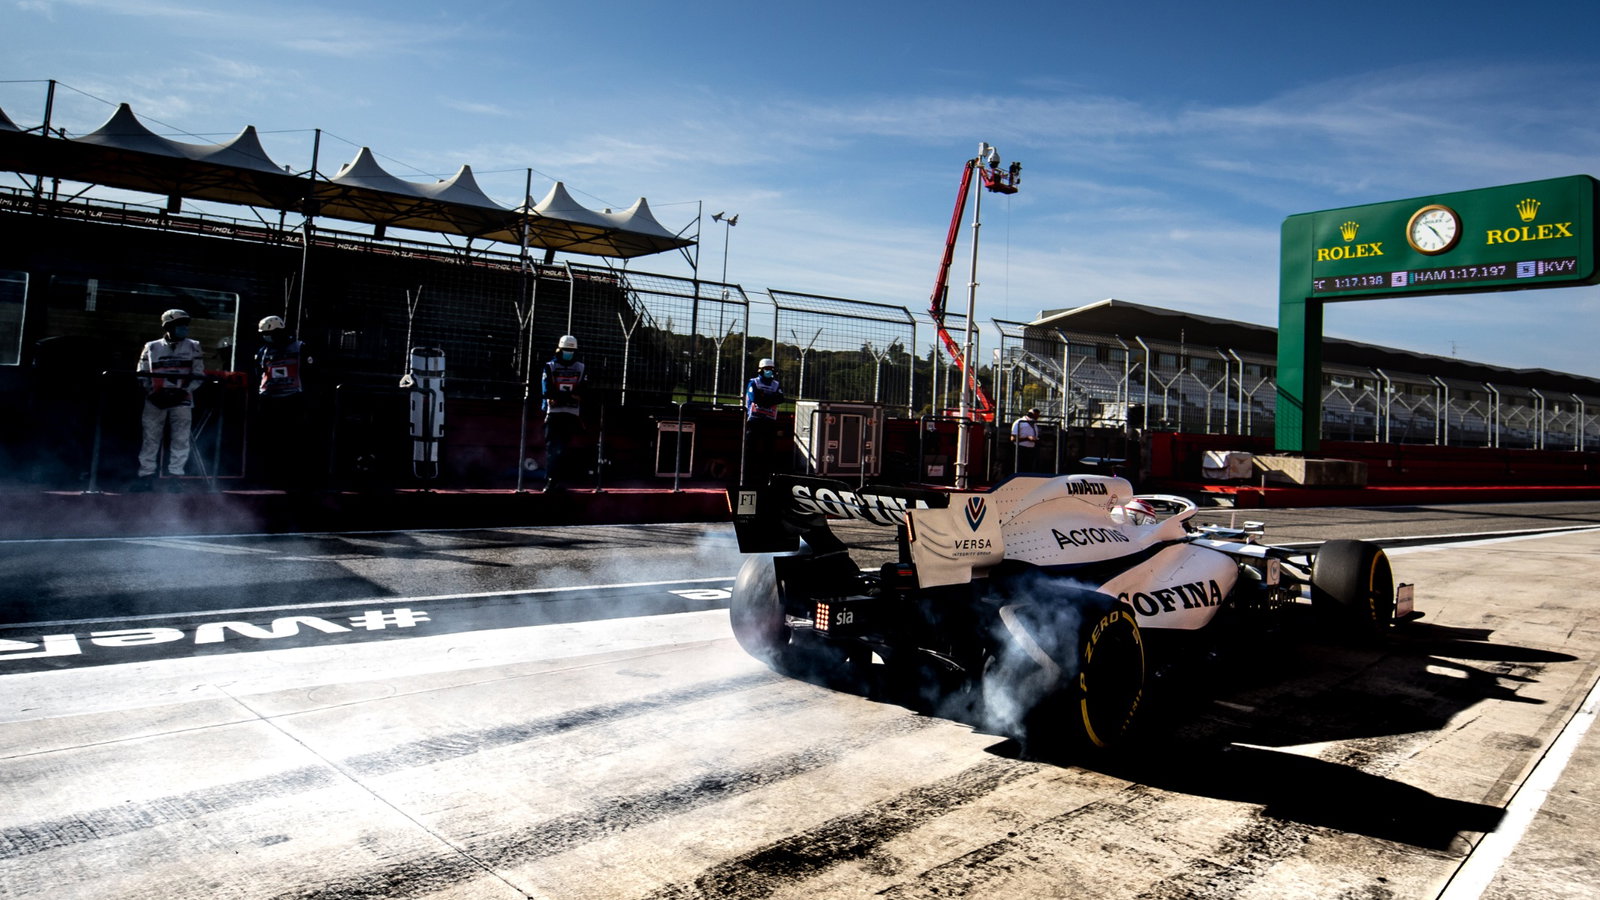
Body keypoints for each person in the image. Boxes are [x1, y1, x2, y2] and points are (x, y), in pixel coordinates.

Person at [132, 308, 206, 491]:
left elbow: (198, 373)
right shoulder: (152, 346)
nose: (184, 328)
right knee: (150, 438)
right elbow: (142, 373)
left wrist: (184, 392)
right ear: (168, 326)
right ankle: (146, 476)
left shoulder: (193, 345)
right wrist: (152, 393)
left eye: (185, 325)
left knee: (180, 439)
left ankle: (176, 477)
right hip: (156, 399)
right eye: (180, 325)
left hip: (182, 399)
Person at [253, 315, 315, 489]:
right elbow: (259, 372)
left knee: (292, 440)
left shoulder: (299, 347)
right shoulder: (263, 351)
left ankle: (292, 478)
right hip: (269, 399)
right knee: (270, 441)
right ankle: (269, 476)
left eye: (269, 333)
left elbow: (310, 372)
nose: (266, 337)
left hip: (292, 398)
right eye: (264, 334)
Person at [540, 334, 586, 492]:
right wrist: (568, 396)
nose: (569, 353)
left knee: (563, 448)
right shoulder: (550, 366)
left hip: (571, 413)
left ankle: (558, 481)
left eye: (571, 351)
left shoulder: (581, 367)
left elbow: (584, 390)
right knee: (552, 448)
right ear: (560, 349)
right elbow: (547, 392)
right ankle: (550, 481)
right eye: (566, 350)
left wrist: (559, 397)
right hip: (553, 413)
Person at [742, 357, 784, 486]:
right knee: (750, 450)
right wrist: (770, 398)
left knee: (769, 451)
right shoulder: (753, 382)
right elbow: (755, 398)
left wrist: (764, 397)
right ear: (760, 370)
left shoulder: (776, 384)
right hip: (754, 421)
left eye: (771, 369)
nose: (769, 372)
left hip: (769, 422)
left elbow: (781, 398)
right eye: (767, 369)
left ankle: (767, 479)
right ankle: (747, 479)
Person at [1009, 407, 1042, 473]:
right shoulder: (1019, 422)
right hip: (1021, 449)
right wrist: (1027, 438)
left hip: (1031, 449)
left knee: (1029, 468)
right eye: (1035, 415)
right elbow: (1013, 438)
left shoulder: (1034, 424)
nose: (1037, 417)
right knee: (1020, 468)